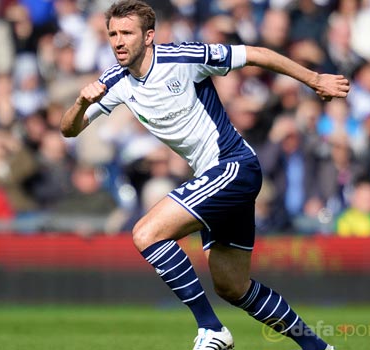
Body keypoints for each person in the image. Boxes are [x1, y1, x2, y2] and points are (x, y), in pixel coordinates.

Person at [59, 1, 350, 350]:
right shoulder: (115, 81)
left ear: (149, 36)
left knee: (146, 233)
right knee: (233, 286)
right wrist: (80, 103)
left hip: (233, 165)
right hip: (218, 178)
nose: (118, 41)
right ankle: (319, 347)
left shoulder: (183, 58)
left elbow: (255, 54)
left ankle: (211, 328)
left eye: (127, 33)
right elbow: (68, 130)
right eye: (112, 34)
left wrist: (315, 79)